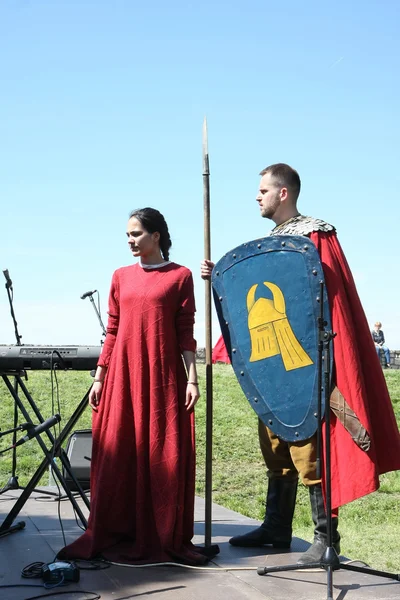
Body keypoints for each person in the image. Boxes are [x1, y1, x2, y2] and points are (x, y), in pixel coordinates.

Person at [201, 163, 400, 564]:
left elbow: (325, 300)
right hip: (270, 362)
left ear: (284, 193)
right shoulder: (269, 243)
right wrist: (220, 277)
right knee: (275, 445)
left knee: (309, 452)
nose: (257, 197)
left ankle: (326, 539)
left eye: (263, 190)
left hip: (306, 364)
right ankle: (277, 528)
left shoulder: (316, 235)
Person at [58, 207, 209, 565]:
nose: (130, 241)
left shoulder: (180, 276)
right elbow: (112, 330)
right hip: (122, 377)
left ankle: (160, 531)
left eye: (137, 234)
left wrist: (192, 379)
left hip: (161, 377)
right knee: (120, 450)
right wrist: (99, 376)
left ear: (157, 236)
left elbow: (185, 333)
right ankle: (118, 527)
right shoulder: (120, 276)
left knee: (160, 452)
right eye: (127, 235)